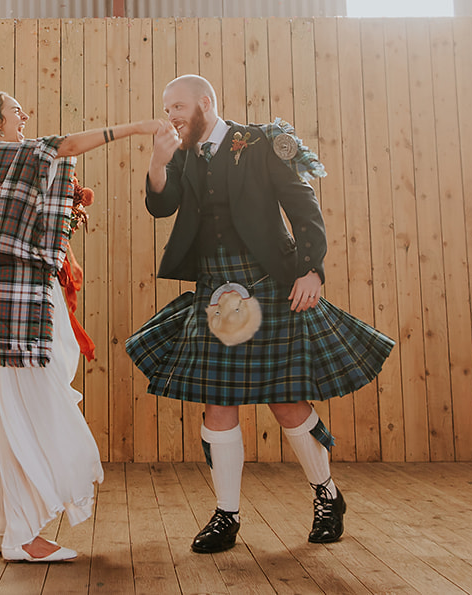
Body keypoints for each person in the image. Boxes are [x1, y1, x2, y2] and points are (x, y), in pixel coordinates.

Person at [126, 74, 395, 553]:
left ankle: (327, 496)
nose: (171, 116)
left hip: (271, 284)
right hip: (215, 293)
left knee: (287, 401)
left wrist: (311, 270)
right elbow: (160, 205)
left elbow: (303, 207)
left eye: (178, 106)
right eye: (167, 108)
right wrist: (158, 161)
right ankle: (226, 516)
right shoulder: (183, 152)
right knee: (218, 401)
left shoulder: (260, 141)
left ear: (206, 102)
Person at [0, 92, 162, 563]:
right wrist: (133, 129)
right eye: (15, 111)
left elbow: (30, 219)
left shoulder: (2, 160)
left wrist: (63, 217)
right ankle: (23, 539)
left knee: (22, 412)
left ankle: (5, 528)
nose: (24, 116)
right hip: (17, 303)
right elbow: (60, 147)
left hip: (20, 297)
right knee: (32, 411)